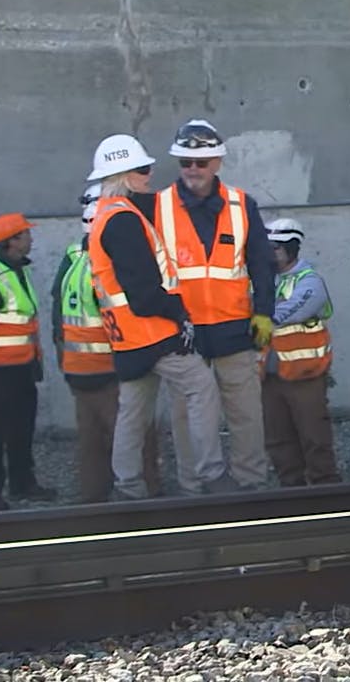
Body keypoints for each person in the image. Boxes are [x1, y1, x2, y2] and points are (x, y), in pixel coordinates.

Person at [85, 133, 235, 499]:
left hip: (126, 338)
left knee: (133, 411)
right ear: (124, 175)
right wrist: (178, 313)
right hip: (151, 332)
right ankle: (212, 476)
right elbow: (144, 292)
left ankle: (128, 489)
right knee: (201, 387)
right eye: (143, 169)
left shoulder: (106, 216)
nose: (150, 174)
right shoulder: (123, 221)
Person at [154, 119, 275, 491]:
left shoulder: (242, 205)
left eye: (201, 163)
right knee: (186, 419)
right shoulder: (156, 207)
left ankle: (250, 486)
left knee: (245, 416)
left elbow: (262, 264)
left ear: (217, 162)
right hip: (182, 335)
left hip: (233, 330)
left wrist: (264, 313)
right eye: (186, 162)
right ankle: (194, 493)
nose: (193, 170)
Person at [52, 186, 162, 504]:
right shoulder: (108, 259)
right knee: (133, 438)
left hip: (78, 369)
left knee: (92, 443)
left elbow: (58, 312)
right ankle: (145, 500)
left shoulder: (73, 259)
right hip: (112, 368)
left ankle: (94, 503)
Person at [0, 213, 54, 511]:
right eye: (26, 234)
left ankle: (22, 483)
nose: (31, 239)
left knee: (22, 428)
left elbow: (25, 321)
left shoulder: (18, 270)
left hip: (22, 366)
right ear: (12, 240)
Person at [260, 217, 338, 486]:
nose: (269, 253)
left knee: (314, 437)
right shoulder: (262, 278)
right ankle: (291, 492)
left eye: (276, 249)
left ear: (292, 249)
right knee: (278, 440)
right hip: (269, 376)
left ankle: (326, 492)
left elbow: (285, 312)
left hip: (305, 375)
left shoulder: (309, 281)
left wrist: (257, 314)